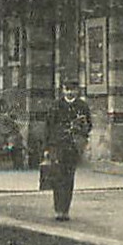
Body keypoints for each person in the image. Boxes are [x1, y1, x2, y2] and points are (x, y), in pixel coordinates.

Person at [45, 79, 92, 221]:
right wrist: (47, 147)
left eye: (73, 90)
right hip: (58, 145)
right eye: (67, 89)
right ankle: (58, 209)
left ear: (77, 91)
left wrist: (81, 130)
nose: (70, 92)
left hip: (73, 146)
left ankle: (65, 210)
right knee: (58, 177)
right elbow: (49, 127)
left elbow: (89, 125)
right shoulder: (56, 105)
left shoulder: (82, 106)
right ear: (63, 90)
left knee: (69, 178)